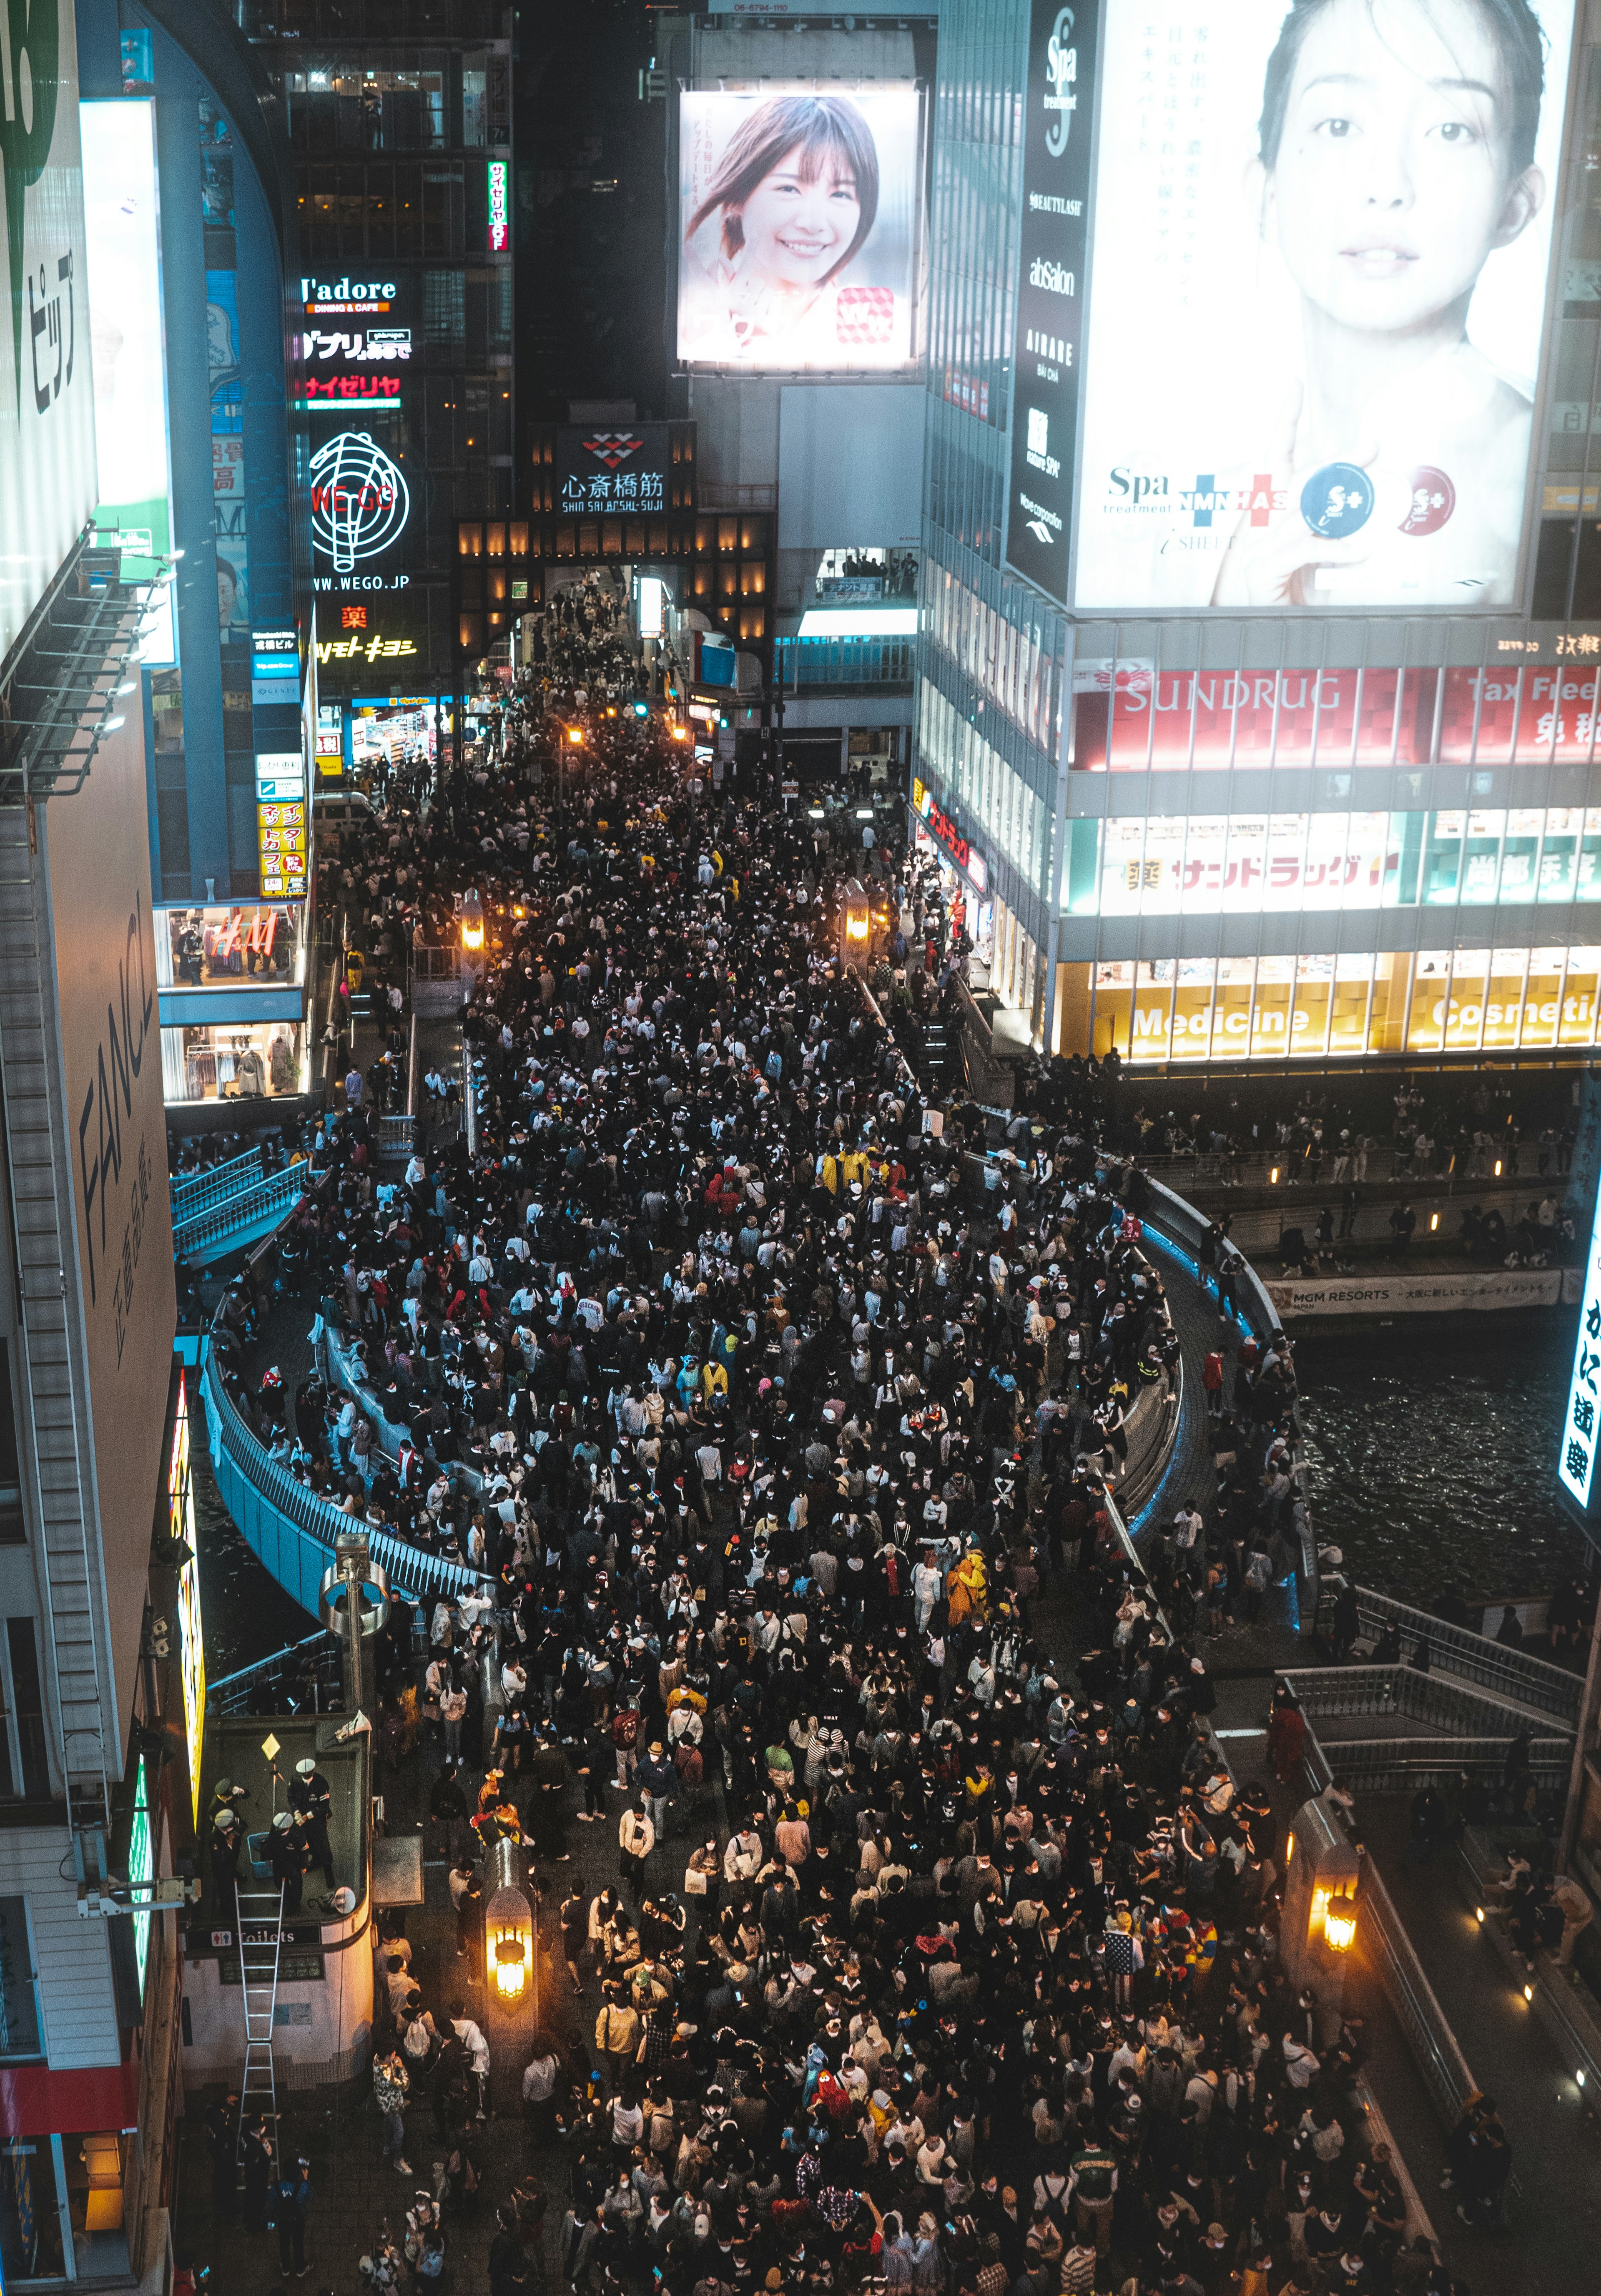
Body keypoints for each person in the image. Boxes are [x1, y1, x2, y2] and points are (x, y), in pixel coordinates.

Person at [1211, 0, 1552, 611]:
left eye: (1451, 129)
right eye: (1340, 125)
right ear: (1264, 190)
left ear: (1515, 204)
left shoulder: (1538, 471)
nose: (1388, 185)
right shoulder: (1217, 508)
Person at [678, 93, 907, 365]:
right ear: (737, 199)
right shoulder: (684, 321)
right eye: (789, 189)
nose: (813, 224)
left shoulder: (887, 324)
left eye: (841, 194)